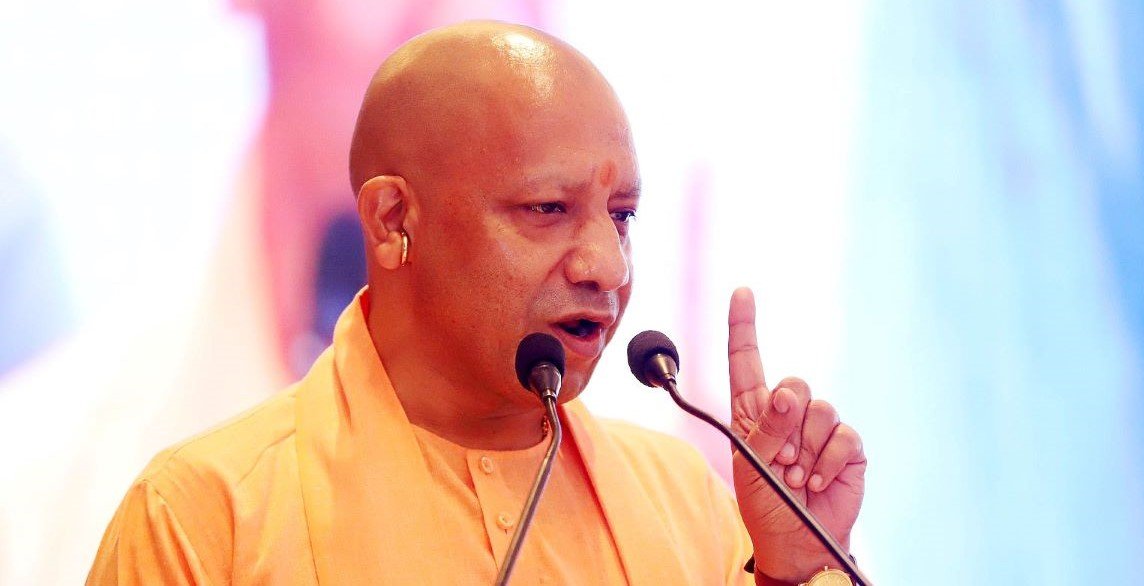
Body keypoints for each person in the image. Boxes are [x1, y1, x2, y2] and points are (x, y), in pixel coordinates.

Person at [87, 21, 866, 585]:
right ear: (394, 222)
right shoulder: (206, 517)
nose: (606, 265)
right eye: (546, 209)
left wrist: (792, 571)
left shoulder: (684, 500)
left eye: (622, 216)